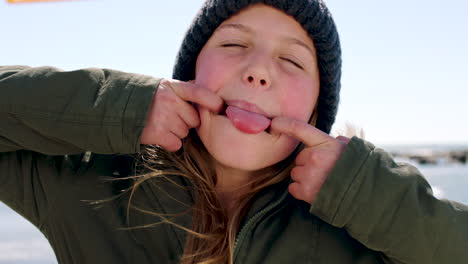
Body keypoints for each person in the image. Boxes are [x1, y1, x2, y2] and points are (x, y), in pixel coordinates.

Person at [1, 0, 467, 263]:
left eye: (291, 60)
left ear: (315, 111)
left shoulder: (358, 227)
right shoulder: (87, 184)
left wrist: (368, 194)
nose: (258, 71)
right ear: (187, 75)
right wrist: (120, 109)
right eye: (233, 43)